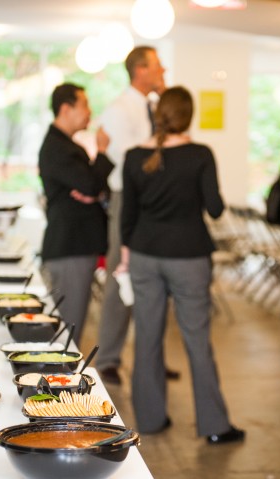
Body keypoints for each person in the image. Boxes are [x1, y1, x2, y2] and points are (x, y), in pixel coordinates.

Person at [119, 86, 244, 444]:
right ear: (188, 116)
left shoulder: (133, 156)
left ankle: (151, 419)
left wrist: (127, 255)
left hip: (144, 254)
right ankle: (215, 426)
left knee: (147, 337)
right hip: (189, 256)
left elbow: (126, 217)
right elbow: (216, 208)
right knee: (196, 340)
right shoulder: (200, 154)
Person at [95, 46, 179, 385]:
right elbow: (131, 160)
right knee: (121, 275)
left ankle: (152, 359)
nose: (164, 70)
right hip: (128, 201)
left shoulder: (155, 106)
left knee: (153, 280)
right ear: (140, 70)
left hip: (153, 202)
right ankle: (109, 357)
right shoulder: (119, 109)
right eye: (158, 66)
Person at [38, 83, 113, 345]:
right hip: (70, 247)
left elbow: (95, 187)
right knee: (67, 332)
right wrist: (102, 152)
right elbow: (92, 183)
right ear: (65, 109)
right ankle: (62, 385)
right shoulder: (57, 148)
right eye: (84, 105)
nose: (90, 112)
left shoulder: (68, 146)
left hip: (77, 245)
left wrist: (95, 190)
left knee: (71, 327)